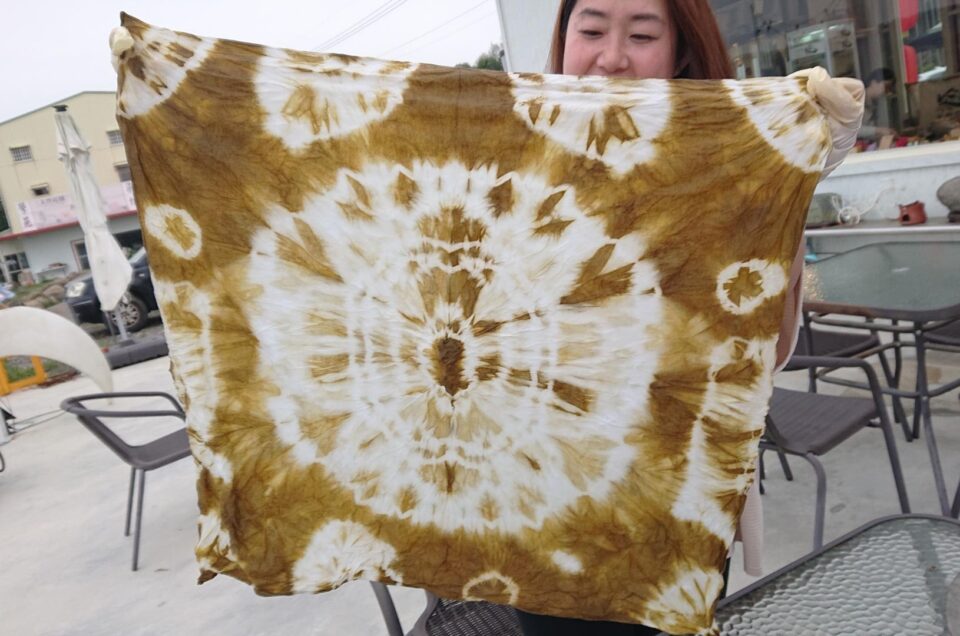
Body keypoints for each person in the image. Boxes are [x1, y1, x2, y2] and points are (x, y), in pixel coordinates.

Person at [514, 1, 810, 634]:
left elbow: (768, 350)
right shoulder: (518, 158)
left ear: (680, 51)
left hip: (678, 504)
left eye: (642, 34)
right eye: (591, 29)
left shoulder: (726, 170)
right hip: (546, 506)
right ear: (563, 38)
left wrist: (790, 191)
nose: (611, 57)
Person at [860, 67, 896, 142]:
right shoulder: (855, 99)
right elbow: (850, 130)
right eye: (886, 87)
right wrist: (879, 130)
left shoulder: (872, 103)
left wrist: (884, 133)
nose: (887, 92)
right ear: (873, 82)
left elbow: (868, 132)